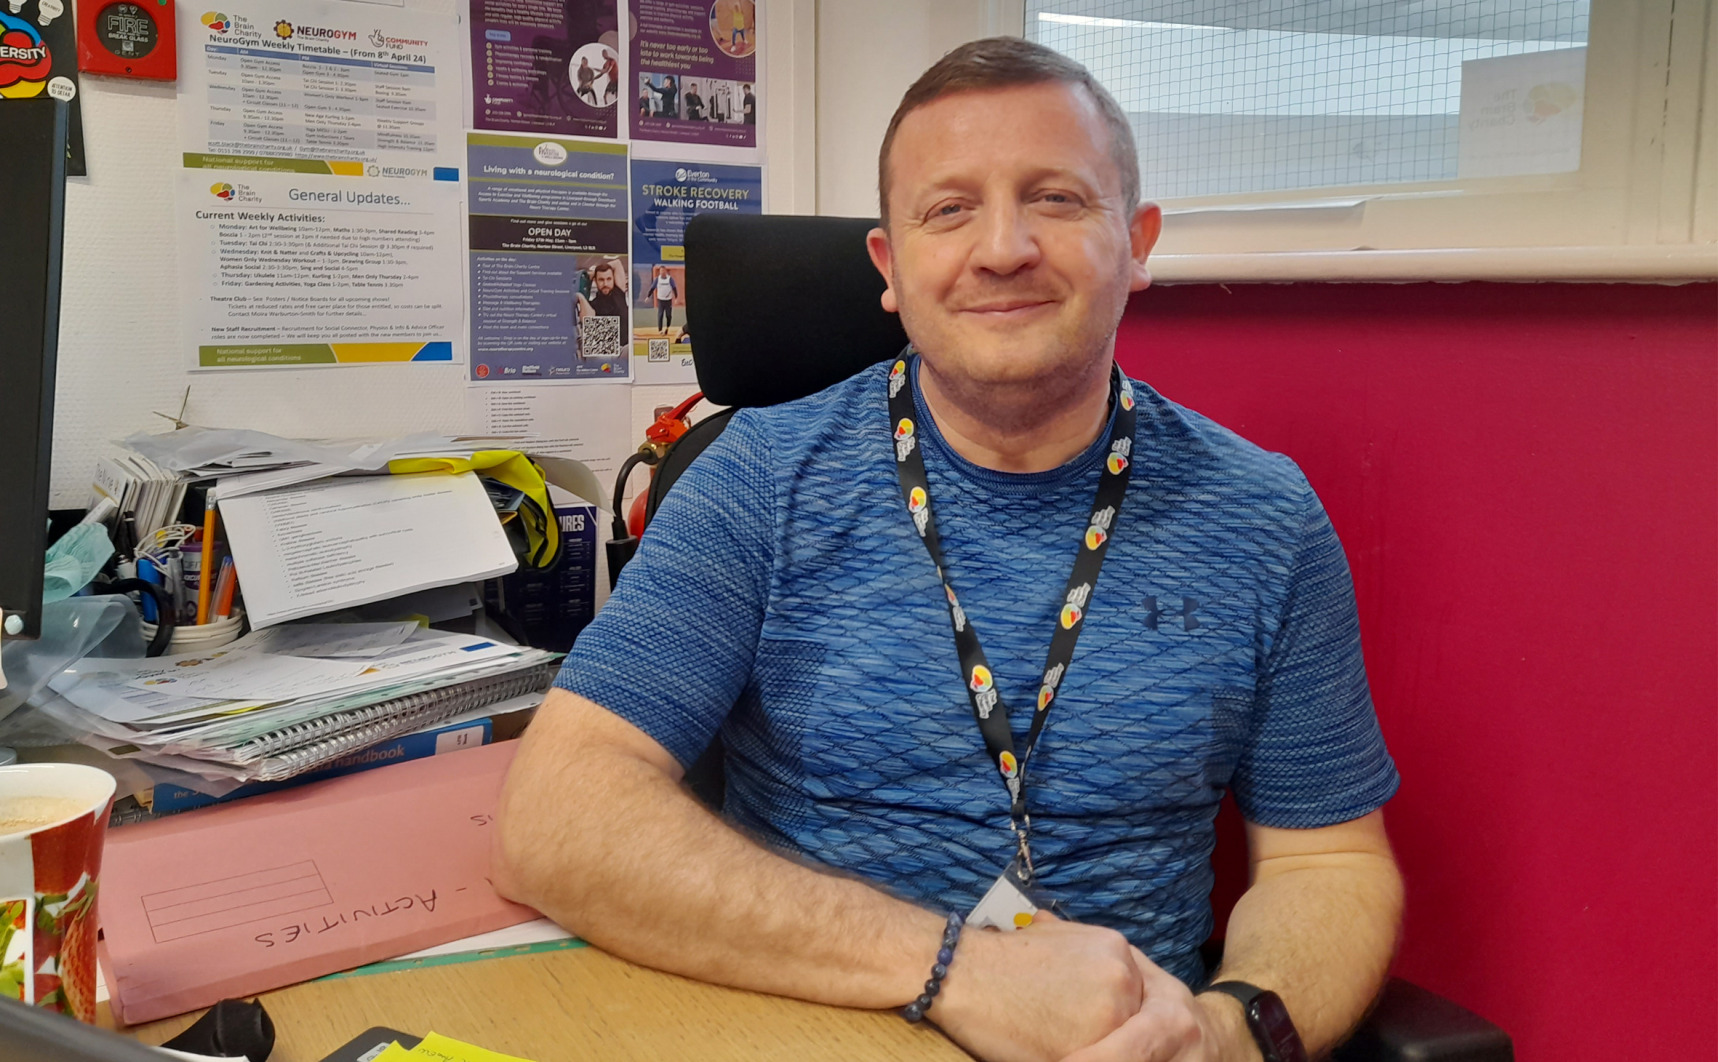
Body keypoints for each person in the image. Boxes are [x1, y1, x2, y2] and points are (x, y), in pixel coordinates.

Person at [498, 36, 1402, 1062]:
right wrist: (956, 971)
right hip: (810, 1035)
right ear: (890, 265)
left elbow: (1325, 865)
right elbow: (556, 815)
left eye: (1056, 199)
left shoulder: (1261, 517)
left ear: (1135, 240)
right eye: (947, 209)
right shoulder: (759, 479)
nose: (1002, 247)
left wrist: (1231, 1033)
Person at [574, 260, 629, 349]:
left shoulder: (619, 292)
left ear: (613, 279)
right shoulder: (593, 304)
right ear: (595, 281)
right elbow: (587, 320)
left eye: (609, 279)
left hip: (626, 346)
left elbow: (617, 263)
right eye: (601, 280)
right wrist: (580, 296)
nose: (605, 284)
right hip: (609, 349)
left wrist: (592, 273)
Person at [647, 266, 677, 335]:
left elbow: (674, 288)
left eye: (663, 271)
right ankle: (660, 330)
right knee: (660, 315)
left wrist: (676, 298)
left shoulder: (670, 279)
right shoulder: (657, 279)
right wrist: (648, 296)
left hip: (668, 300)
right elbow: (652, 288)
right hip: (660, 300)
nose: (662, 272)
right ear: (659, 272)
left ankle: (667, 328)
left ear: (665, 271)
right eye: (661, 271)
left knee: (668, 315)